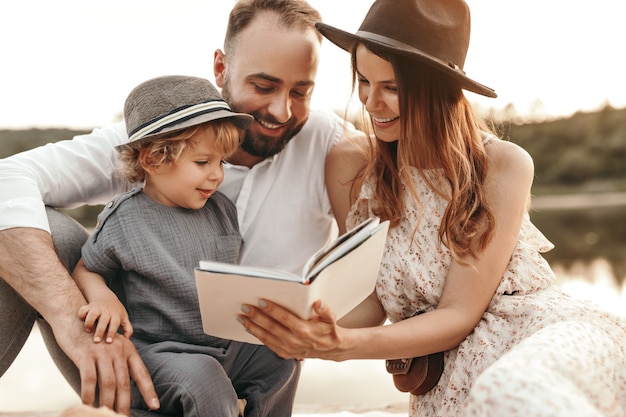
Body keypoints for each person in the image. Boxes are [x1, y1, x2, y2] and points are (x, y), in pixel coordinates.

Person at [237, 0, 626, 416]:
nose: (370, 102)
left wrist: (344, 348)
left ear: (438, 90)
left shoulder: (503, 165)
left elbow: (459, 313)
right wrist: (304, 326)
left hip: (540, 336)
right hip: (445, 384)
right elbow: (370, 298)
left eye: (392, 87)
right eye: (364, 80)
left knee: (514, 392)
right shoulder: (350, 165)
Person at [0, 0, 357, 415]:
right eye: (263, 86)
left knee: (277, 359)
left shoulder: (333, 145)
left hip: (237, 350)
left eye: (301, 91)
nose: (282, 110)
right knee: (35, 231)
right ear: (221, 68)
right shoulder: (156, 135)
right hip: (137, 350)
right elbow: (7, 180)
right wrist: (70, 317)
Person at [70, 74, 297, 417]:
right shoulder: (126, 218)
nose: (217, 175)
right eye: (203, 163)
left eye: (221, 162)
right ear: (153, 161)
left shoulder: (220, 208)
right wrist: (103, 297)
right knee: (203, 377)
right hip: (161, 354)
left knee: (281, 352)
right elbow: (87, 267)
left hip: (223, 345)